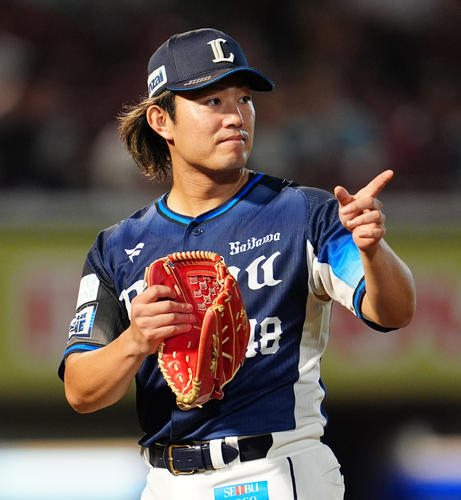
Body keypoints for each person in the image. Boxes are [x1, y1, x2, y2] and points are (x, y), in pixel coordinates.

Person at [59, 28, 416, 500]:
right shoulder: (117, 246)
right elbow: (81, 392)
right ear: (161, 120)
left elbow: (393, 312)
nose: (235, 116)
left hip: (275, 468)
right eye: (212, 101)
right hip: (166, 482)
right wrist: (134, 341)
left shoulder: (304, 213)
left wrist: (372, 250)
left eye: (244, 98)